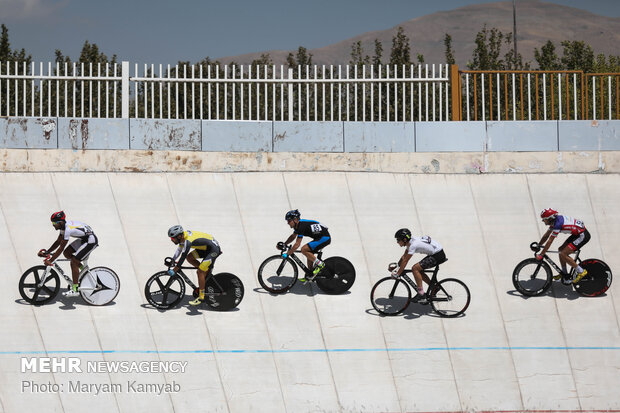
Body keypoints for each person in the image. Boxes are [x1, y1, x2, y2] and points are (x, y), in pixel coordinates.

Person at [39, 211, 99, 297]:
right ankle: (82, 268)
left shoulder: (68, 229)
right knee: (67, 253)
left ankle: (75, 289)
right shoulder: (63, 227)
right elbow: (58, 242)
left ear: (60, 222)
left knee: (73, 261)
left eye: (54, 223)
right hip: (84, 239)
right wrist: (47, 252)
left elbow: (61, 247)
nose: (53, 225)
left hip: (90, 241)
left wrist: (51, 260)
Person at [168, 225, 221, 306]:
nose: (171, 240)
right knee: (190, 258)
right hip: (205, 248)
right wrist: (173, 259)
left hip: (213, 250)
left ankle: (201, 297)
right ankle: (205, 272)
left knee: (199, 272)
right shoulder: (183, 238)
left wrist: (175, 269)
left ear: (179, 236)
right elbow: (179, 250)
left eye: (172, 238)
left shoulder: (188, 241)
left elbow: (183, 255)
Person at [392, 228, 447, 305]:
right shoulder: (410, 242)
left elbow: (405, 261)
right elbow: (404, 257)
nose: (397, 242)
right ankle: (434, 288)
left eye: (398, 240)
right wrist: (397, 266)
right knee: (419, 270)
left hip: (437, 255)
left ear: (404, 239)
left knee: (415, 268)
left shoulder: (413, 245)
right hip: (436, 252)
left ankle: (421, 293)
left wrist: (397, 274)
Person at [537, 208, 589, 283]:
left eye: (544, 219)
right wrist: (539, 245)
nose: (543, 221)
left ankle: (581, 271)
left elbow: (550, 241)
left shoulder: (558, 224)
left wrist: (542, 254)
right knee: (560, 250)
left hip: (582, 235)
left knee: (563, 253)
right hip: (577, 234)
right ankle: (564, 273)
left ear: (550, 218)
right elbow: (546, 235)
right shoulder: (554, 221)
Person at [283, 209, 330, 282]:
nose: (288, 223)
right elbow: (293, 236)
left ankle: (320, 264)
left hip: (324, 238)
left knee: (304, 249)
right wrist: (285, 244)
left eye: (289, 221)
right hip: (320, 237)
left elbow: (297, 244)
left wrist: (288, 254)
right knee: (309, 254)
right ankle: (311, 274)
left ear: (295, 220)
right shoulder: (298, 225)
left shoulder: (301, 226)